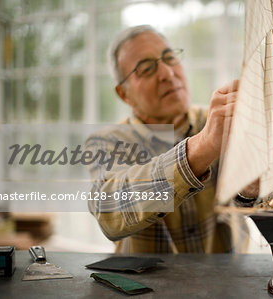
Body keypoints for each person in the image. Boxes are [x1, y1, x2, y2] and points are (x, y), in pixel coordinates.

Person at [86, 25, 258, 254]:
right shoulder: (108, 141)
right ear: (124, 94)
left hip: (229, 284)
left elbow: (266, 206)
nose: (167, 73)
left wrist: (251, 189)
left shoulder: (220, 122)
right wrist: (202, 147)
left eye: (170, 58)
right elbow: (108, 211)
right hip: (148, 289)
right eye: (146, 68)